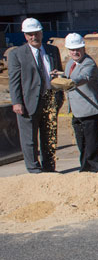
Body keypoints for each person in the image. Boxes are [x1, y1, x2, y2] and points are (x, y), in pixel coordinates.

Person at [8, 18, 63, 173]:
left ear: (41, 33)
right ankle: (34, 169)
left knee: (49, 138)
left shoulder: (52, 51)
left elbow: (58, 75)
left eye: (36, 33)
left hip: (50, 100)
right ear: (25, 36)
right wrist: (17, 102)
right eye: (30, 34)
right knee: (29, 140)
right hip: (28, 102)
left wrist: (59, 97)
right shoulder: (17, 54)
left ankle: (49, 168)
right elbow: (14, 81)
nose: (34, 37)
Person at [62, 33, 98, 172]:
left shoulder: (89, 63)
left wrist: (70, 82)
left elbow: (83, 78)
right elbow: (68, 76)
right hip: (77, 110)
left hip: (91, 110)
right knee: (82, 142)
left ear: (83, 48)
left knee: (91, 142)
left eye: (78, 49)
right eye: (72, 50)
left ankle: (93, 168)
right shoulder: (71, 63)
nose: (75, 52)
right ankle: (85, 168)